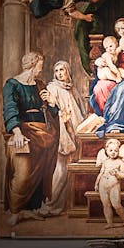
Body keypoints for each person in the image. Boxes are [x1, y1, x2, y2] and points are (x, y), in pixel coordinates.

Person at [1, 52, 57, 224]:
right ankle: (16, 211)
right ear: (33, 64)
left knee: (39, 174)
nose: (41, 68)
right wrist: (17, 132)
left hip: (44, 136)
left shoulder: (40, 85)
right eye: (40, 64)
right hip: (23, 133)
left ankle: (31, 209)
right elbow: (10, 109)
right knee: (23, 174)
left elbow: (52, 113)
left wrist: (52, 103)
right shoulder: (12, 84)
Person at [42, 60, 94, 215]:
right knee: (61, 170)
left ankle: (68, 205)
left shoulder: (72, 89)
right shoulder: (52, 88)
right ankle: (51, 205)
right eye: (56, 70)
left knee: (73, 169)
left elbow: (80, 110)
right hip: (62, 133)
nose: (59, 73)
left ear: (68, 71)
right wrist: (59, 114)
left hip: (75, 131)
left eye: (62, 70)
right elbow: (50, 112)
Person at [95, 137, 124, 228]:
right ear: (106, 150)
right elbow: (101, 173)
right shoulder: (105, 162)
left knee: (116, 204)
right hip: (103, 186)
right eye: (111, 150)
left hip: (114, 186)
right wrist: (97, 183)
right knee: (106, 205)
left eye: (116, 150)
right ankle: (109, 223)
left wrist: (117, 173)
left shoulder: (120, 162)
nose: (113, 152)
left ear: (119, 151)